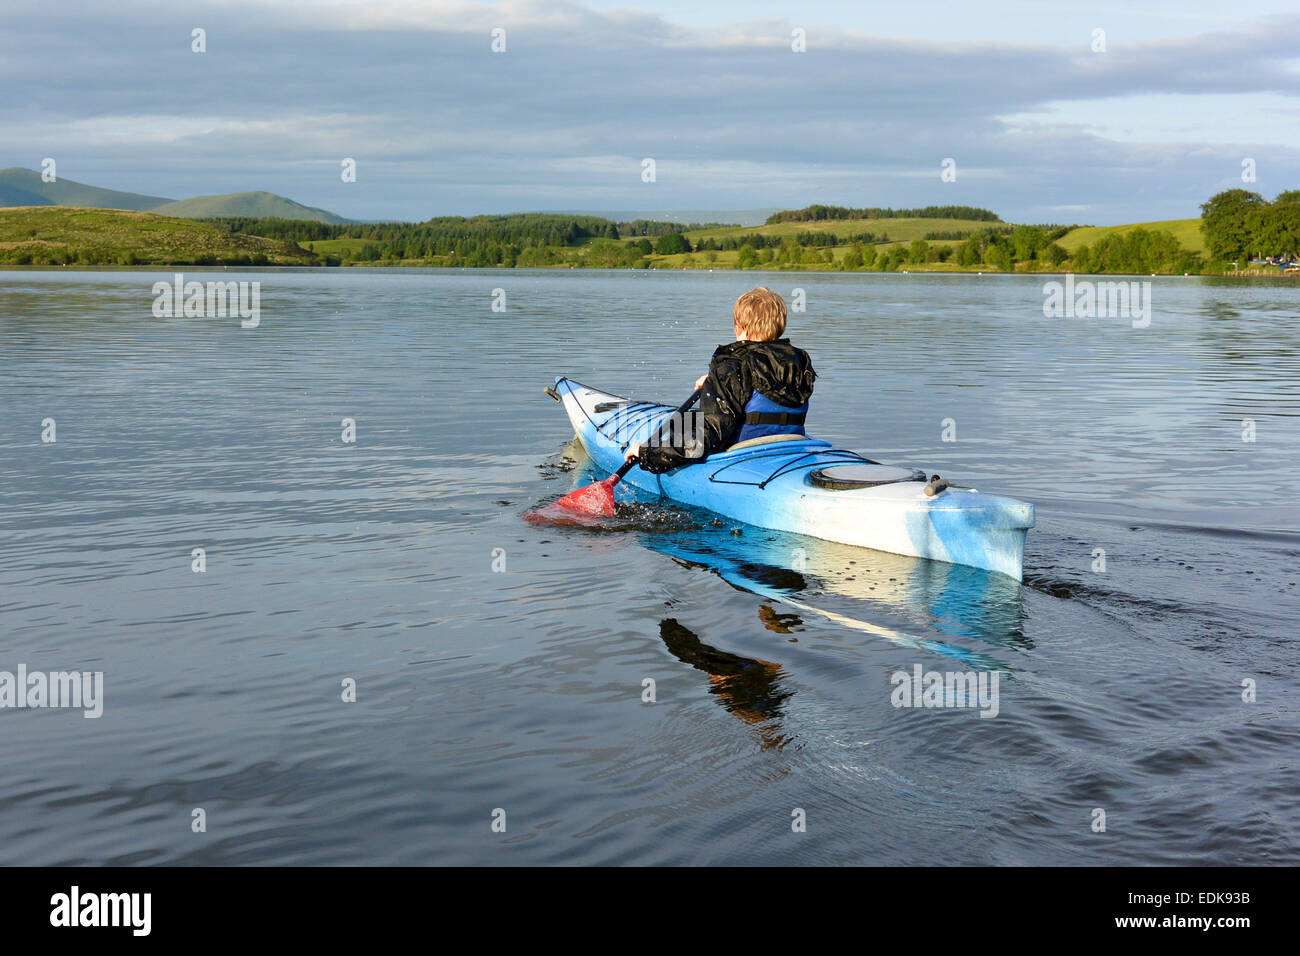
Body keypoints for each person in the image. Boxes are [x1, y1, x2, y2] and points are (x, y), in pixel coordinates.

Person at [626, 287, 816, 474]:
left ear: (739, 327)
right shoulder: (798, 361)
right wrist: (715, 382)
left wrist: (647, 454)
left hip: (742, 452)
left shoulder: (732, 367)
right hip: (791, 444)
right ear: (781, 327)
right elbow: (765, 384)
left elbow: (705, 437)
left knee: (684, 422)